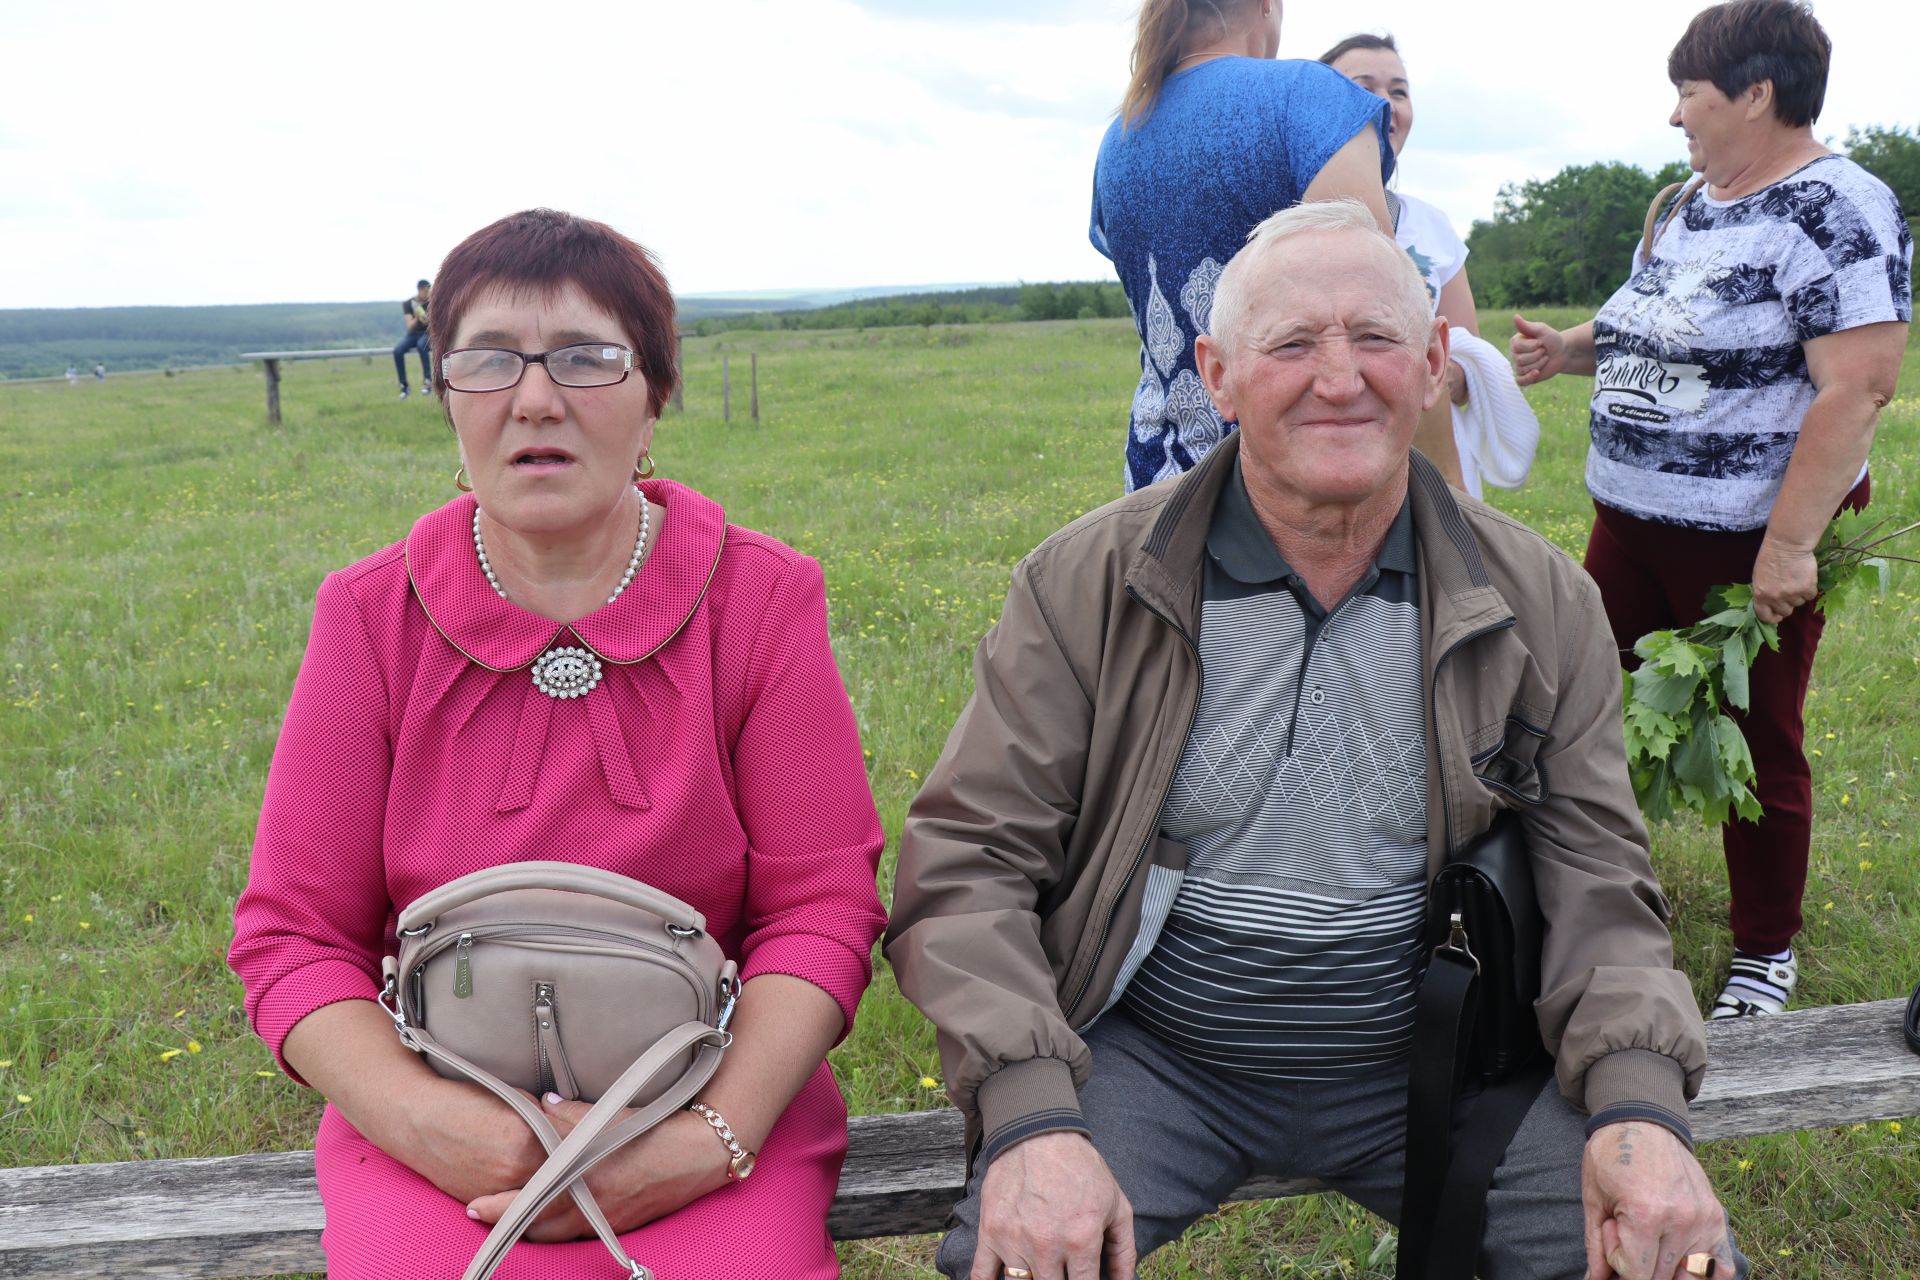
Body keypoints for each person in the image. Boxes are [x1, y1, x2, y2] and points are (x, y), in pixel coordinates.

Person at [887, 200, 1748, 1280]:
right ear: (1217, 373)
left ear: (1435, 361)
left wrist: (1637, 1103)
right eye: (1291, 342)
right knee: (1012, 1263)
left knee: (1674, 1260)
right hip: (1153, 1058)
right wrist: (1029, 1116)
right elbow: (968, 865)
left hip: (1444, 1061)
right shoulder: (1088, 584)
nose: (1339, 378)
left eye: (1377, 338)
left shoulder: (1541, 600)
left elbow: (1601, 883)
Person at [229, 209, 887, 1280]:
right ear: (446, 396)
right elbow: (293, 936)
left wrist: (704, 1138)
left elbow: (821, 909)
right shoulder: (366, 615)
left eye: (587, 357)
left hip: (710, 1095)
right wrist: (432, 1123)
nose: (536, 397)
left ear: (655, 394)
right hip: (435, 1121)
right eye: (487, 361)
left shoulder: (763, 599)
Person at [1511, 0, 1911, 1020]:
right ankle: (1581, 900)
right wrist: (1570, 347)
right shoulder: (1692, 200)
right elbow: (1657, 314)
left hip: (1739, 542)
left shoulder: (1836, 206)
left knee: (1756, 735)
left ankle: (1763, 949)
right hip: (1631, 520)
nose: (1676, 116)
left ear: (1756, 93)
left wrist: (1787, 547)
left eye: (1688, 92)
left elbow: (1857, 386)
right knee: (1584, 711)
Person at [1090, 0, 1452, 494]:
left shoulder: (1121, 135)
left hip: (1159, 487)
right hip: (1293, 493)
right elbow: (1387, 320)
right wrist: (1448, 493)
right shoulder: (1305, 98)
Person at [1321, 33, 1540, 499]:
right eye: (1363, 87)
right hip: (1338, 460)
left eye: (1399, 91)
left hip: (1438, 468)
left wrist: (1435, 375)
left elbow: (1465, 354)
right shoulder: (1295, 225)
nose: (1385, 104)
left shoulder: (1432, 225)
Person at [395, 277, 432, 400]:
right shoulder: (408, 304)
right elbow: (410, 326)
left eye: (429, 291)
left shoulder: (432, 302)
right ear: (420, 290)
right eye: (426, 291)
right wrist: (417, 317)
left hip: (427, 334)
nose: (427, 294)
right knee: (397, 351)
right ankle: (404, 385)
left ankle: (427, 381)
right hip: (413, 334)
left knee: (423, 346)